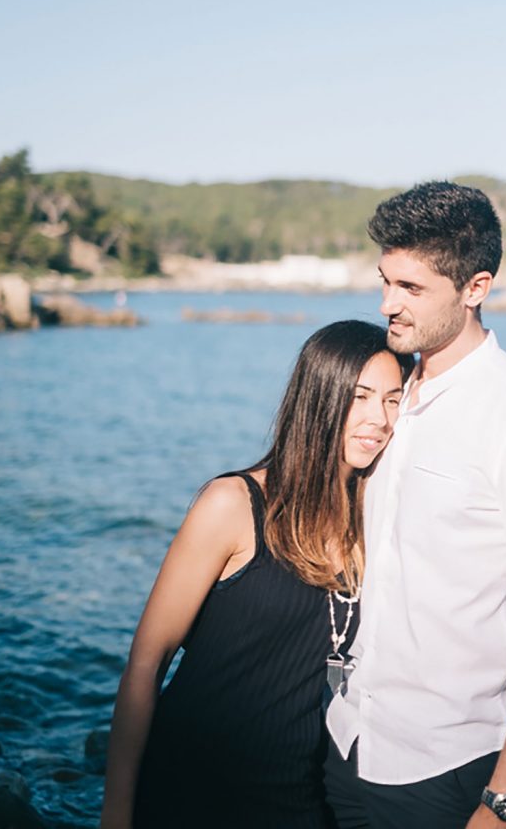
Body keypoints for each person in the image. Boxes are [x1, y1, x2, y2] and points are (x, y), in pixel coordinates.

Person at [325, 182, 506, 829]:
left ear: (475, 288)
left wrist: (503, 801)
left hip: (444, 769)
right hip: (344, 738)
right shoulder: (391, 393)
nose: (388, 304)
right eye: (386, 281)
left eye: (411, 289)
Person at [100, 320, 413, 829]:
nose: (379, 418)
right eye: (361, 397)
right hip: (194, 785)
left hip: (300, 793)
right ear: (320, 398)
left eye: (393, 400)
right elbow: (145, 662)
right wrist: (116, 811)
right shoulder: (234, 505)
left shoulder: (370, 519)